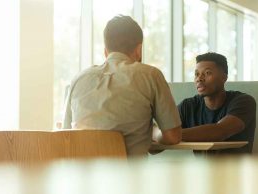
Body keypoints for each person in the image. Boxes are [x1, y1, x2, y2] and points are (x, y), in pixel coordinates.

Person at [63, 15, 181, 157]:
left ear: (106, 51)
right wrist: (154, 132)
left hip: (81, 176)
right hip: (130, 176)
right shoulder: (150, 75)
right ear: (139, 50)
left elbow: (65, 135)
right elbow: (173, 137)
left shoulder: (78, 79)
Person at [178, 52, 256, 153]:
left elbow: (219, 132)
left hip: (236, 168)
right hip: (200, 168)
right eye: (197, 74)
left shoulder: (244, 102)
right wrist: (160, 133)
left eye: (207, 73)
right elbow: (161, 131)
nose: (199, 79)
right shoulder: (188, 106)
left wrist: (171, 135)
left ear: (224, 77)